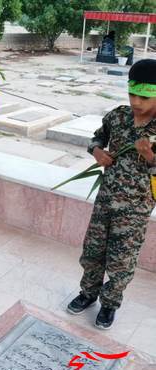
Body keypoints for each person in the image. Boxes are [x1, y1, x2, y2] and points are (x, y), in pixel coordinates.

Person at [67, 59, 156, 330]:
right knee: (93, 251)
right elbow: (97, 137)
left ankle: (109, 303)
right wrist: (97, 152)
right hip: (105, 200)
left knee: (121, 260)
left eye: (143, 96)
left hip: (136, 208)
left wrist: (149, 155)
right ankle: (88, 293)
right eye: (132, 94)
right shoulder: (118, 116)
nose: (136, 101)